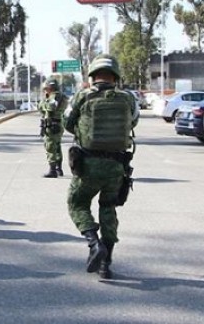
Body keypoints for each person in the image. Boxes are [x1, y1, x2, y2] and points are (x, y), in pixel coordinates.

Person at [64, 54, 138, 280]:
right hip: (117, 166)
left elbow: (67, 122)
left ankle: (94, 244)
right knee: (108, 208)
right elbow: (133, 122)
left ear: (93, 75)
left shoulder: (83, 96)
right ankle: (106, 264)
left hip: (88, 164)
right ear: (115, 76)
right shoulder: (128, 98)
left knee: (77, 202)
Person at [39, 78, 68, 178]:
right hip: (58, 123)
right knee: (57, 146)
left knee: (50, 147)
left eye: (46, 88)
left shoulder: (54, 96)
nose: (45, 90)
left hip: (52, 124)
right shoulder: (61, 96)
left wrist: (44, 101)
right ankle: (58, 169)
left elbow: (49, 109)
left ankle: (53, 171)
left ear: (50, 87)